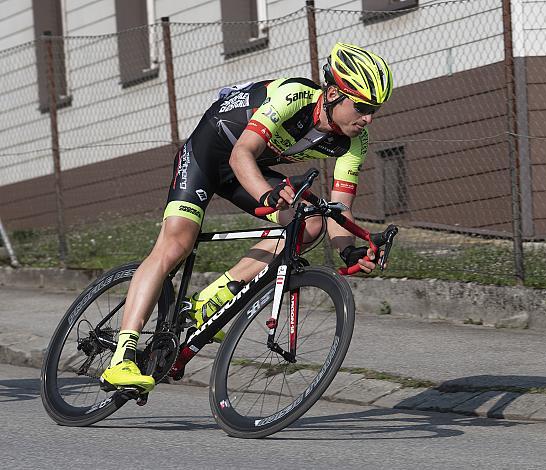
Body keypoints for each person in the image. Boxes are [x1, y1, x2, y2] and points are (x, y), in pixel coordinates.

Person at [100, 43, 393, 392]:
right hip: (209, 155)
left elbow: (338, 209)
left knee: (310, 222)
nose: (369, 118)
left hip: (250, 169)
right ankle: (122, 356)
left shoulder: (354, 142)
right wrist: (266, 195)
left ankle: (212, 298)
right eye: (362, 107)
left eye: (375, 110)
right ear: (332, 94)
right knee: (176, 244)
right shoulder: (294, 96)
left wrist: (350, 250)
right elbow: (242, 154)